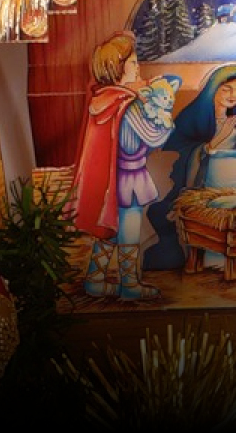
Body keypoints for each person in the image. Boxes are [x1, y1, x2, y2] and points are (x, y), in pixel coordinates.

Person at [70, 31, 179, 300]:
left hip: (111, 178)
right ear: (117, 67)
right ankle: (129, 285)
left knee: (109, 231)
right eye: (132, 63)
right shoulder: (126, 105)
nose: (138, 67)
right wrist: (164, 118)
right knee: (129, 231)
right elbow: (150, 138)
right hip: (129, 177)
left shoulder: (105, 99)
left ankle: (95, 280)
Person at [143, 64, 236, 270]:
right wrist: (216, 140)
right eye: (227, 89)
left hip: (232, 168)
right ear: (214, 88)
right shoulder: (192, 116)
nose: (234, 96)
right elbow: (177, 152)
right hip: (206, 173)